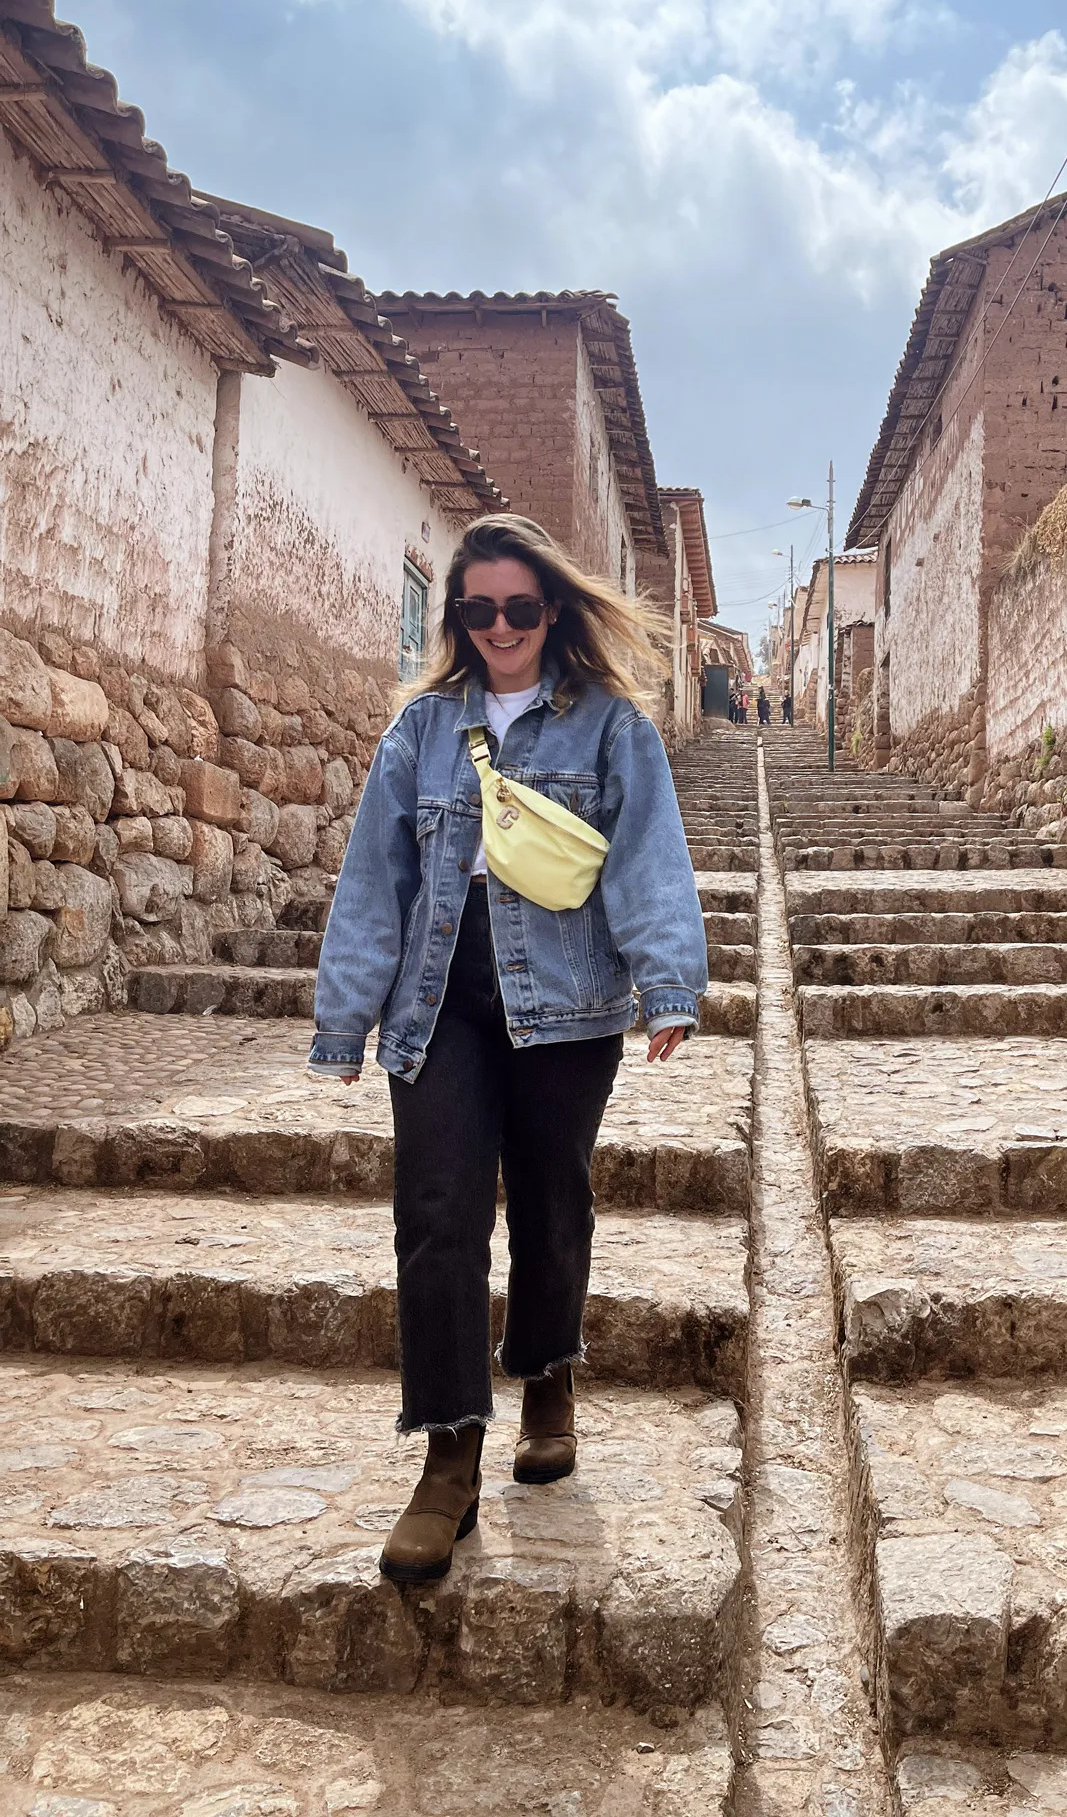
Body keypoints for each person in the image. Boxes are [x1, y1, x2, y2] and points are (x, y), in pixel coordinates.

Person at [308, 513, 706, 1586]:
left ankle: (546, 1375)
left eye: (519, 607)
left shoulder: (611, 728)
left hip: (566, 996)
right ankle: (449, 1459)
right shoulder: (422, 729)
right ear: (456, 616)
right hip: (440, 993)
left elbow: (648, 857)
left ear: (553, 609)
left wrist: (668, 981)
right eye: (477, 608)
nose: (499, 626)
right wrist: (346, 1017)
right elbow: (375, 875)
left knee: (549, 1199)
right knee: (436, 1213)